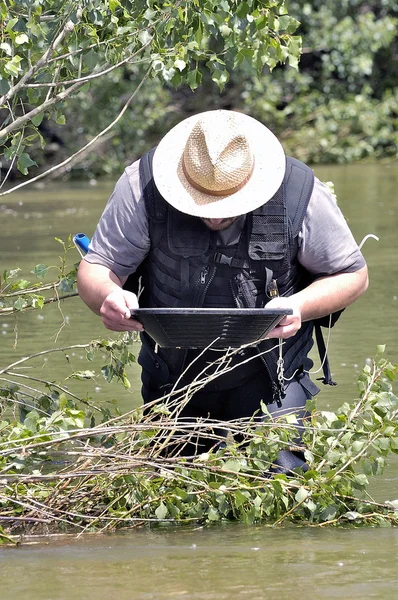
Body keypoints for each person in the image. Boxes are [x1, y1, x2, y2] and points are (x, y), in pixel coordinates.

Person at [77, 110, 368, 471]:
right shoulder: (141, 187)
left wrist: (299, 306)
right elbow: (95, 269)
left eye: (228, 203)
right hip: (174, 380)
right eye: (200, 200)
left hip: (272, 378)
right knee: (172, 499)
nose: (215, 217)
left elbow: (353, 275)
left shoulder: (298, 192)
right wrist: (106, 295)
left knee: (286, 490)